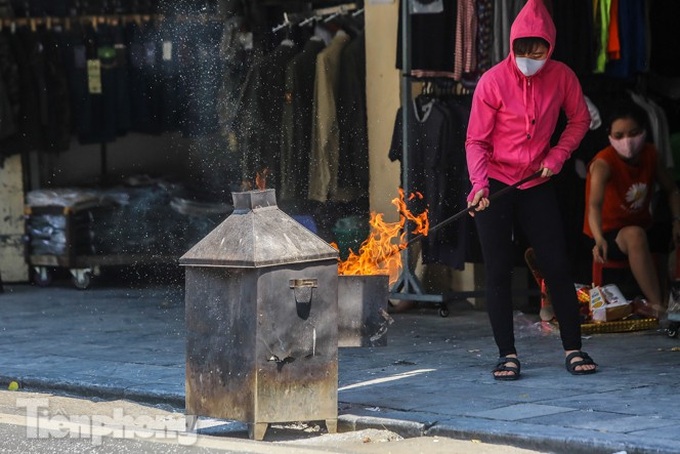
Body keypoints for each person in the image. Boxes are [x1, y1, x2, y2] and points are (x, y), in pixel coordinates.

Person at [466, 0, 596, 379]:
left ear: (550, 46)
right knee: (498, 270)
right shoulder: (492, 81)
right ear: (512, 44)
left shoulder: (563, 77)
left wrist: (557, 156)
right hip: (495, 182)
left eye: (538, 49)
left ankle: (573, 347)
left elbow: (580, 119)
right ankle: (507, 354)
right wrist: (479, 184)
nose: (530, 56)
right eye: (523, 48)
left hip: (537, 181)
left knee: (556, 265)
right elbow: (476, 140)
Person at [584, 101, 680, 318]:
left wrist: (677, 220)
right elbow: (594, 206)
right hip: (606, 234)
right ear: (610, 136)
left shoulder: (650, 154)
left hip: (640, 224)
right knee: (635, 235)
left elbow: (672, 190)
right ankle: (659, 308)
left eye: (633, 133)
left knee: (663, 232)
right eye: (619, 136)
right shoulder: (603, 163)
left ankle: (668, 295)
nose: (626, 141)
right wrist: (598, 238)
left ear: (644, 132)